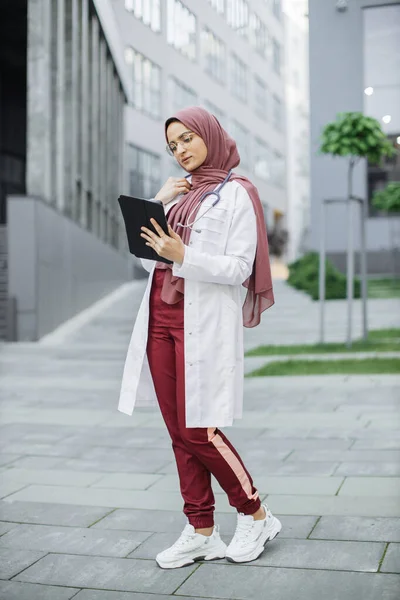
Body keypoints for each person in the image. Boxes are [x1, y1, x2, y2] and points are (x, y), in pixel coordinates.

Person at [118, 107, 281, 569]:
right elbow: (147, 260)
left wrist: (183, 253)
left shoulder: (237, 194)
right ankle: (201, 529)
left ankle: (255, 513)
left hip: (202, 324)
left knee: (198, 428)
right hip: (158, 320)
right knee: (177, 432)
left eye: (187, 138)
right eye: (173, 146)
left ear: (209, 134)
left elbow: (239, 268)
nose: (181, 150)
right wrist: (158, 200)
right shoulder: (178, 196)